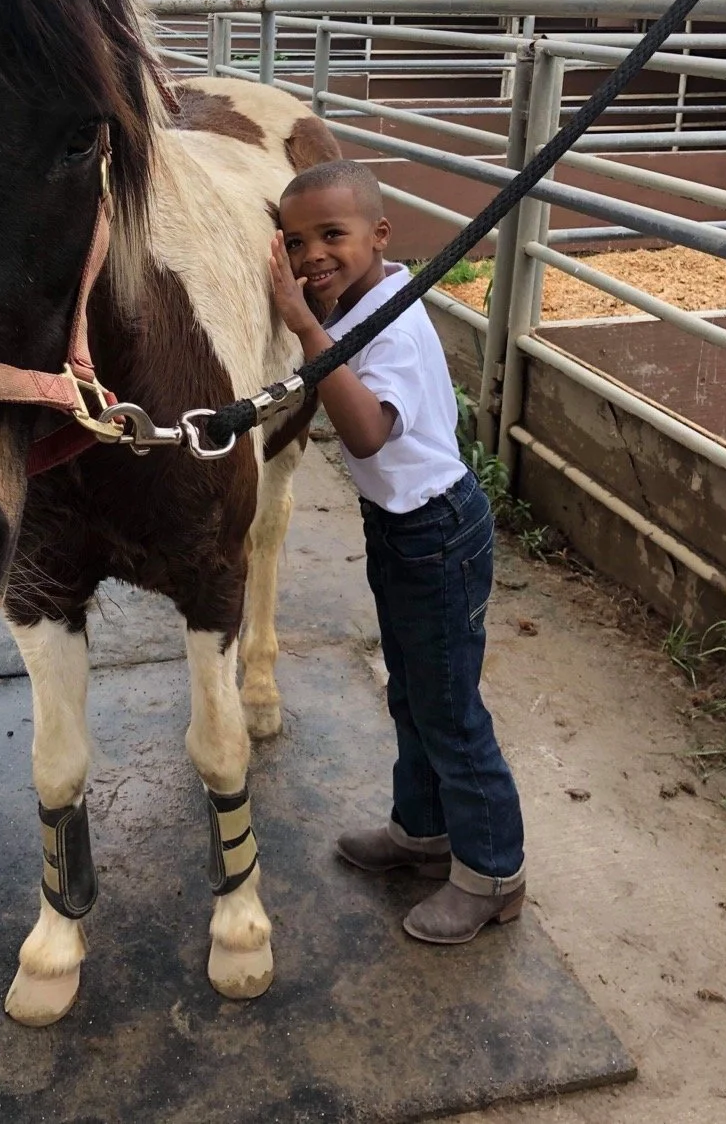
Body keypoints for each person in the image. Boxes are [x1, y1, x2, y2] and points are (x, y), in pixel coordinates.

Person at [269, 158, 525, 944]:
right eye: (295, 241)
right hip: (400, 528)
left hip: (434, 534)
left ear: (380, 234)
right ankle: (422, 831)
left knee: (450, 712)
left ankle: (493, 874)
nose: (313, 255)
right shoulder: (359, 300)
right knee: (411, 695)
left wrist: (304, 324)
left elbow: (365, 430)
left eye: (332, 236)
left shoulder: (395, 323)